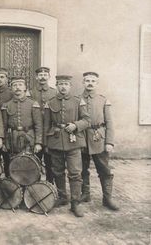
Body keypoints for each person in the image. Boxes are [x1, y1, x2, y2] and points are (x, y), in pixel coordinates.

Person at [44, 75, 90, 217]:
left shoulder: (78, 101)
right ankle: (62, 197)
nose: (63, 87)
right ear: (57, 85)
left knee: (75, 173)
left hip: (73, 141)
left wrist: (75, 125)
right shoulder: (50, 102)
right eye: (60, 84)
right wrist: (46, 144)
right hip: (56, 141)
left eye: (66, 84)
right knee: (57, 171)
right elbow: (46, 124)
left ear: (70, 86)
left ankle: (75, 202)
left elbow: (87, 120)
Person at [80, 72, 119, 210]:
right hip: (82, 137)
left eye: (93, 81)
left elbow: (109, 122)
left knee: (104, 169)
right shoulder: (77, 99)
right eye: (87, 80)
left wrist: (109, 142)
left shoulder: (103, 100)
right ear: (83, 82)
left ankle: (107, 198)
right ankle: (85, 194)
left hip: (99, 138)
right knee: (81, 168)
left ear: (97, 83)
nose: (90, 83)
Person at [1, 76, 43, 176]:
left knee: (29, 165)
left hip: (29, 138)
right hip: (13, 139)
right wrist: (4, 142)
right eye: (14, 85)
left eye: (20, 85)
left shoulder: (33, 104)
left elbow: (38, 125)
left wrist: (38, 142)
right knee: (13, 166)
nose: (17, 87)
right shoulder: (6, 105)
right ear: (11, 89)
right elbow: (4, 126)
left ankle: (29, 190)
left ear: (25, 88)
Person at [29, 66, 56, 184]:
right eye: (40, 75)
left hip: (50, 130)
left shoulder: (54, 92)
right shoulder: (30, 92)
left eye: (45, 75)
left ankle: (50, 185)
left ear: (49, 77)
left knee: (51, 161)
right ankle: (35, 185)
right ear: (36, 77)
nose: (43, 77)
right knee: (35, 160)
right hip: (35, 130)